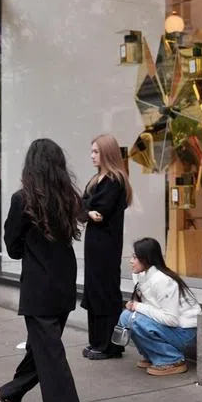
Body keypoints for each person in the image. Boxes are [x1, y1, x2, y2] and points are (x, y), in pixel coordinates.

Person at [0, 138, 91, 402]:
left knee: (49, 354)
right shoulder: (70, 198)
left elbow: (12, 247)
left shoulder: (22, 199)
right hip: (63, 283)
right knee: (45, 349)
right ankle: (11, 392)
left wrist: (29, 245)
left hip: (38, 286)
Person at [81, 134, 132, 360]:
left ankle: (108, 345)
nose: (92, 156)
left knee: (105, 291)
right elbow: (82, 207)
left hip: (106, 245)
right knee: (94, 290)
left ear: (107, 153)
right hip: (94, 242)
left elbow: (99, 213)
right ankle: (97, 341)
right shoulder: (96, 180)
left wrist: (87, 211)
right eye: (91, 151)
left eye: (96, 152)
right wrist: (86, 212)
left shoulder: (115, 180)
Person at [119, 237, 201, 376]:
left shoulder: (161, 280)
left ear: (146, 258)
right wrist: (135, 306)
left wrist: (138, 307)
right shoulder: (143, 276)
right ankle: (154, 356)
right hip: (174, 330)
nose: (131, 261)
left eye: (135, 257)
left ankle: (172, 360)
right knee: (127, 316)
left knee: (135, 320)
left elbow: (171, 319)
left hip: (186, 334)